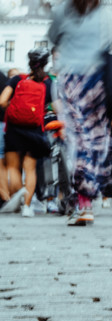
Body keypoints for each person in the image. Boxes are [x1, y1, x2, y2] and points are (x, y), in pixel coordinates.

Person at [46, 0, 112, 227]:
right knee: (96, 140)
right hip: (98, 81)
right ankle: (90, 194)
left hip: (72, 81)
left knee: (78, 140)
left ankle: (82, 201)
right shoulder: (106, 14)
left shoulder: (62, 8)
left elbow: (53, 39)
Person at [0, 49, 57, 217]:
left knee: (12, 167)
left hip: (14, 129)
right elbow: (57, 105)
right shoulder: (48, 83)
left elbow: (2, 101)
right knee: (30, 169)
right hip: (35, 130)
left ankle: (19, 194)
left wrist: (16, 107)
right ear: (46, 64)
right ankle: (27, 206)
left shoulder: (17, 79)